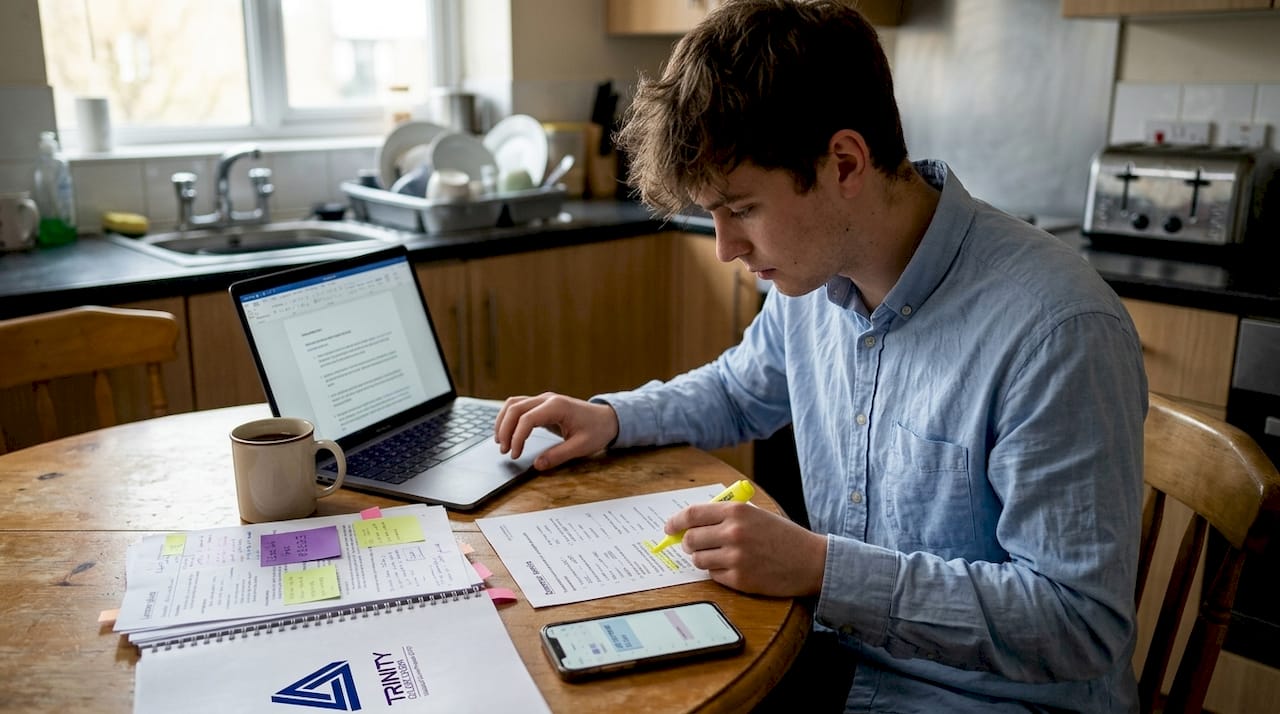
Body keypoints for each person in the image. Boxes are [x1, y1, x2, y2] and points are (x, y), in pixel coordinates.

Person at [495, 1, 1148, 711]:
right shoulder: (813, 274)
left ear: (844, 162)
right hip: (833, 655)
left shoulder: (1056, 327)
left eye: (741, 209)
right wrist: (611, 418)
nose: (724, 248)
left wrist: (821, 569)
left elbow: (1078, 623)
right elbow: (740, 391)